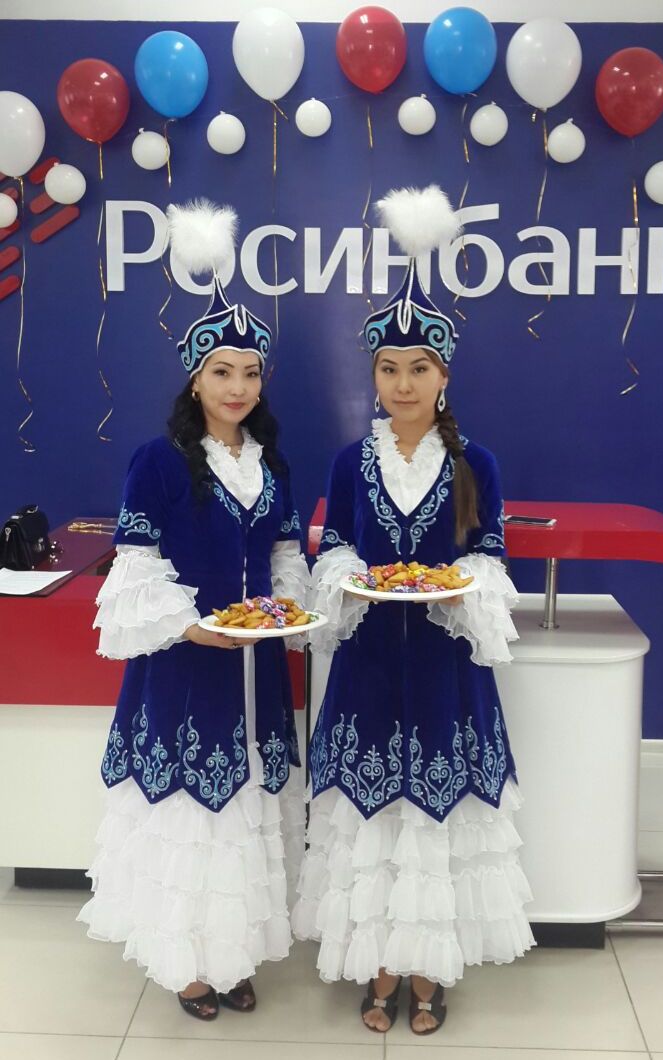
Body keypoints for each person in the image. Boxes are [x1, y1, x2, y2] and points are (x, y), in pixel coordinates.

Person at [292, 185, 534, 1035]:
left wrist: (455, 584)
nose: (403, 383)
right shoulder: (347, 462)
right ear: (374, 376)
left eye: (419, 368)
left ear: (444, 376)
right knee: (375, 816)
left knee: (435, 817)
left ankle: (428, 970)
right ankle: (379, 965)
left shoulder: (479, 464)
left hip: (443, 667)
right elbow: (334, 548)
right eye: (389, 369)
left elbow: (489, 554)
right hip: (366, 666)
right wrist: (355, 575)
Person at [78, 200, 308, 1021]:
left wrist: (286, 607)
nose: (237, 387)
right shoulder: (159, 461)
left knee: (246, 810)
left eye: (249, 373)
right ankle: (189, 966)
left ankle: (233, 952)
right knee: (193, 815)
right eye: (221, 372)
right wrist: (191, 627)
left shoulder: (272, 464)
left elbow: (285, 555)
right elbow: (135, 566)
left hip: (256, 670)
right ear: (194, 379)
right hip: (185, 669)